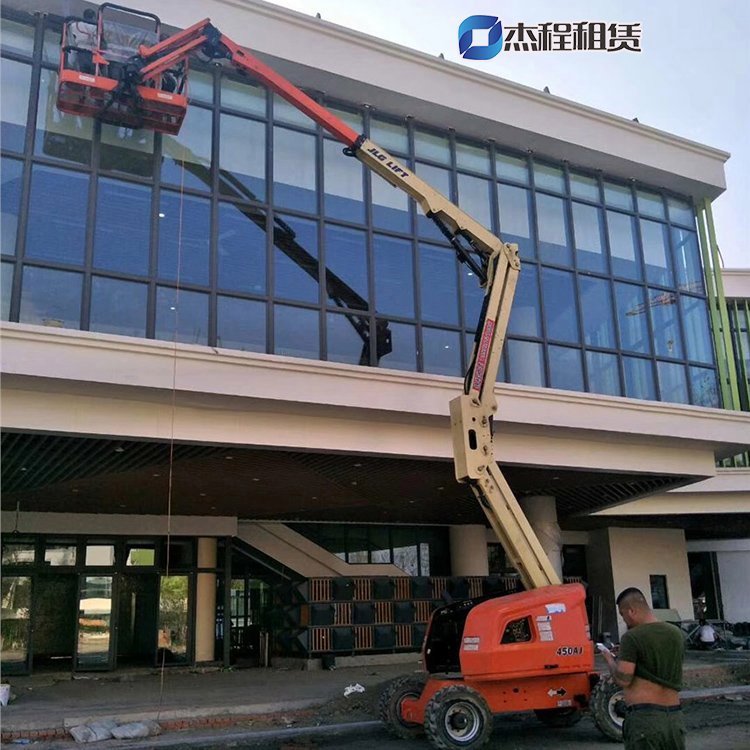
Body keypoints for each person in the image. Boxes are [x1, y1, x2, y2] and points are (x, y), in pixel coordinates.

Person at [598, 587, 685, 750]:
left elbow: (623, 679)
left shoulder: (632, 637)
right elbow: (656, 660)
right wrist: (627, 654)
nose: (624, 620)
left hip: (646, 720)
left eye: (623, 615)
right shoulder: (676, 633)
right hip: (675, 718)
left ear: (631, 611)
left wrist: (610, 660)